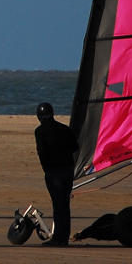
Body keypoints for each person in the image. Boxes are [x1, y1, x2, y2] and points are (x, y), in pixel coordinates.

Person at [34, 102, 76, 246]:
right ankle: (63, 237)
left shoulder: (40, 131)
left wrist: (47, 170)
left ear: (39, 116)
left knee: (58, 205)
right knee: (65, 204)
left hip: (54, 172)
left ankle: (59, 239)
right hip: (68, 170)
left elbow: (42, 153)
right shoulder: (65, 129)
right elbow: (75, 147)